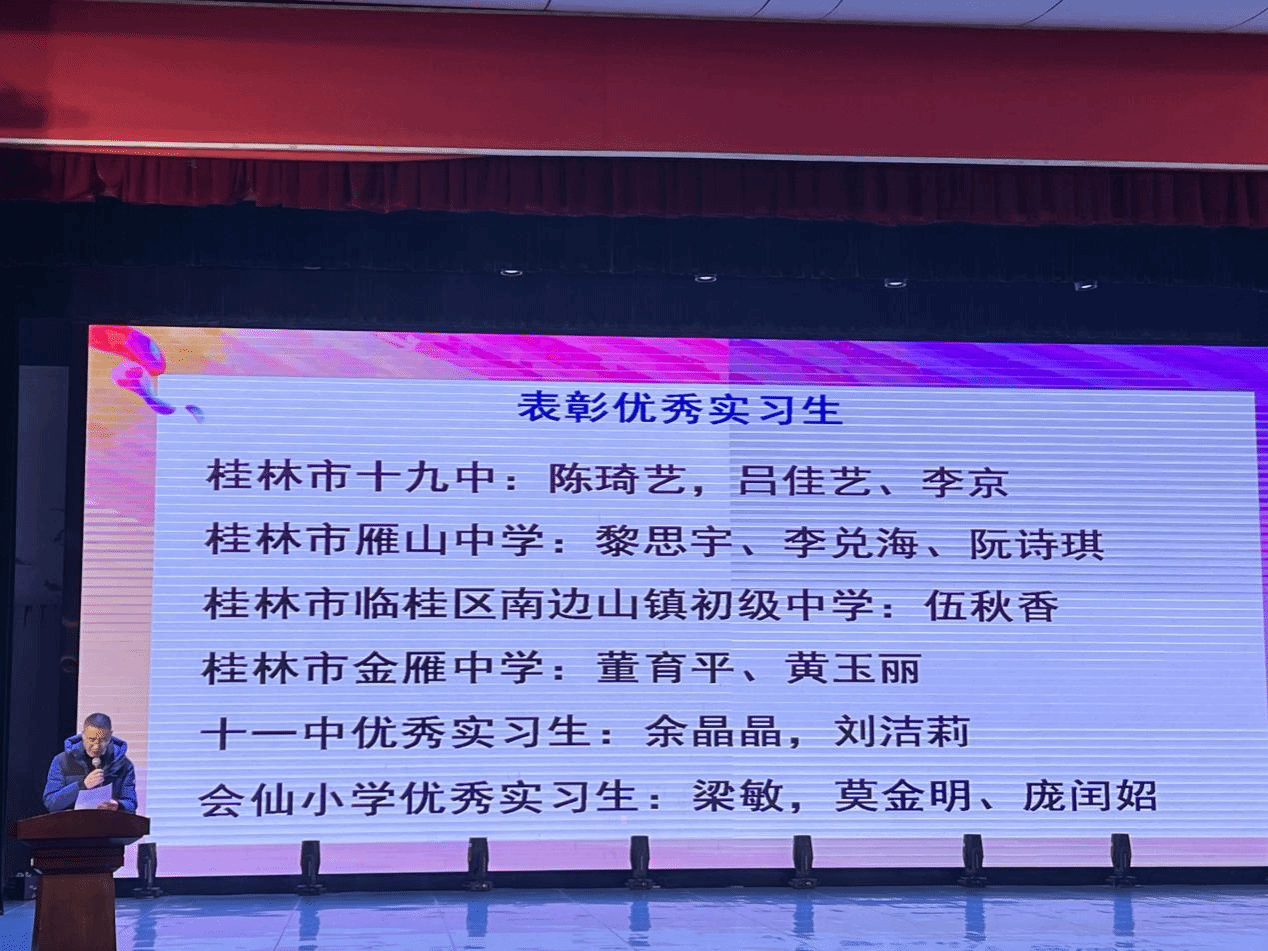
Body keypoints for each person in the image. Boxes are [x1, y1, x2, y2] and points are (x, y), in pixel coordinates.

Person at [43, 713, 137, 813]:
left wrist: (118, 805)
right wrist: (82, 785)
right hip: (72, 821)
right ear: (83, 735)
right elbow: (51, 803)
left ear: (110, 735)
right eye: (91, 739)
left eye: (103, 740)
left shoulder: (123, 764)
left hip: (108, 821)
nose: (96, 746)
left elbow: (131, 803)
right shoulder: (62, 761)